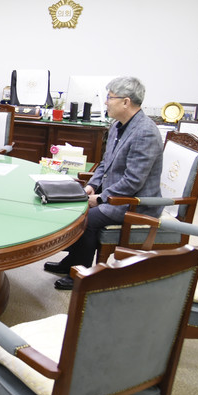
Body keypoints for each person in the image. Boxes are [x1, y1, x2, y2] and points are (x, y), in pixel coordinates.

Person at [44, 76, 164, 290]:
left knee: (86, 218)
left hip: (136, 203)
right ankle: (71, 262)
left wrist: (100, 199)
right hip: (117, 195)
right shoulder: (118, 125)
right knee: (74, 208)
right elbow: (105, 165)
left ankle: (81, 274)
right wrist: (91, 186)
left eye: (109, 98)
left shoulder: (145, 132)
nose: (106, 102)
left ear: (126, 102)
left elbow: (133, 181)